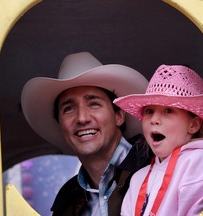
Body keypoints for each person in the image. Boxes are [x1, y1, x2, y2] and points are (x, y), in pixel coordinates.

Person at [21, 52, 152, 216]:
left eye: (94, 104)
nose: (82, 118)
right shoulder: (66, 202)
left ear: (119, 116)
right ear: (61, 126)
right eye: (69, 109)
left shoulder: (158, 168)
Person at [113, 64, 203, 216]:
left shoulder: (199, 160)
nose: (154, 119)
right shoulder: (138, 178)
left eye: (168, 110)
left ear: (193, 125)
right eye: (149, 111)